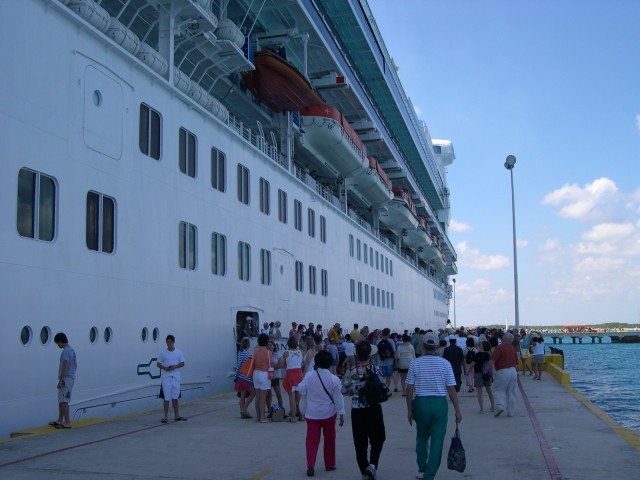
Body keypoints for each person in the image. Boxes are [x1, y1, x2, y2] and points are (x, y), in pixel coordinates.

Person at [405, 331, 462, 480]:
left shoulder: (415, 363)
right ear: (437, 345)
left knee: (422, 436)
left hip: (421, 403)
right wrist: (457, 410)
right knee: (437, 441)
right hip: (439, 404)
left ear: (423, 345)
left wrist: (409, 409)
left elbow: (409, 388)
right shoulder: (445, 364)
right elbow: (451, 389)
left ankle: (422, 465)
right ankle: (429, 475)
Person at [342, 341, 389, 480]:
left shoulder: (351, 372)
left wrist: (356, 391)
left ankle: (364, 471)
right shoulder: (377, 370)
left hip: (357, 410)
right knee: (378, 438)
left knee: (360, 442)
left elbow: (344, 391)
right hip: (374, 408)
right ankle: (373, 465)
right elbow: (385, 389)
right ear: (370, 354)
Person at [297, 350, 345, 477]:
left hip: (312, 414)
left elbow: (301, 389)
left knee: (311, 440)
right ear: (330, 364)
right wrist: (341, 414)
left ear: (316, 362)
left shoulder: (309, 376)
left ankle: (311, 465)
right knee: (329, 439)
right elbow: (338, 398)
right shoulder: (334, 379)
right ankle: (329, 464)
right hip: (329, 414)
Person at [157, 334, 186, 423]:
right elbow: (158, 363)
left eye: (170, 342)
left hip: (176, 377)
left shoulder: (178, 352)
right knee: (166, 397)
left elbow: (182, 363)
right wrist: (165, 368)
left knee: (175, 397)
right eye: (167, 342)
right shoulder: (163, 353)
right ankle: (165, 416)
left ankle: (176, 415)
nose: (169, 343)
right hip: (166, 377)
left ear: (173, 342)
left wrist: (175, 366)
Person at [50, 332, 77, 429]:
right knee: (61, 400)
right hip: (70, 377)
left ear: (61, 341)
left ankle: (67, 422)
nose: (57, 345)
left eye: (57, 343)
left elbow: (65, 365)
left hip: (66, 379)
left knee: (64, 401)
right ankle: (60, 419)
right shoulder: (72, 350)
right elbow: (75, 365)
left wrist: (61, 380)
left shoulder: (65, 351)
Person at [490, 331, 518, 417]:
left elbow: (492, 360)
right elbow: (516, 362)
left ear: (505, 338)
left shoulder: (500, 347)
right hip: (513, 370)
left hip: (502, 370)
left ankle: (499, 406)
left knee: (498, 389)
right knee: (511, 392)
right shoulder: (513, 348)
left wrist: (489, 370)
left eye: (503, 336)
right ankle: (510, 411)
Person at [465, 340, 495, 413]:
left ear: (483, 346)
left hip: (478, 373)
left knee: (479, 392)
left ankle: (482, 408)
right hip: (487, 374)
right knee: (489, 391)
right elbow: (491, 365)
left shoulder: (477, 354)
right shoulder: (488, 354)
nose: (479, 344)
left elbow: (472, 364)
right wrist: (492, 375)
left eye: (481, 344)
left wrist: (468, 372)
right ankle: (493, 406)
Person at [252, 333, 274, 423]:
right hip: (264, 375)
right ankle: (262, 417)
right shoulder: (268, 353)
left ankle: (258, 416)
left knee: (257, 397)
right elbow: (271, 364)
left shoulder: (255, 351)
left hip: (256, 373)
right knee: (263, 398)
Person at [282, 336, 304, 422]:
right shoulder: (300, 352)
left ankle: (293, 417)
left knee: (291, 397)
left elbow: (283, 365)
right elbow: (301, 363)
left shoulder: (286, 353)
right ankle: (302, 416)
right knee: (299, 397)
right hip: (299, 374)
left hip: (290, 374)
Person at [234, 337, 255, 419]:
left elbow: (239, 366)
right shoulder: (248, 355)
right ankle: (244, 409)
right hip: (246, 377)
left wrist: (236, 376)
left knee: (242, 395)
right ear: (248, 345)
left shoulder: (240, 353)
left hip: (240, 377)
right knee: (253, 393)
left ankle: (242, 412)